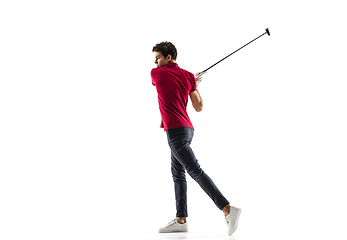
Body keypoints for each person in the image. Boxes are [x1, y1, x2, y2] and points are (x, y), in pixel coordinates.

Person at [151, 41, 241, 236]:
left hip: (174, 131)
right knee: (178, 173)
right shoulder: (188, 76)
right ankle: (181, 219)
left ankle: (227, 209)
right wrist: (193, 83)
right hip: (186, 129)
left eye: (158, 57)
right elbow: (199, 107)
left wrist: (191, 81)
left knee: (194, 170)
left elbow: (167, 84)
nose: (155, 62)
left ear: (168, 57)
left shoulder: (156, 73)